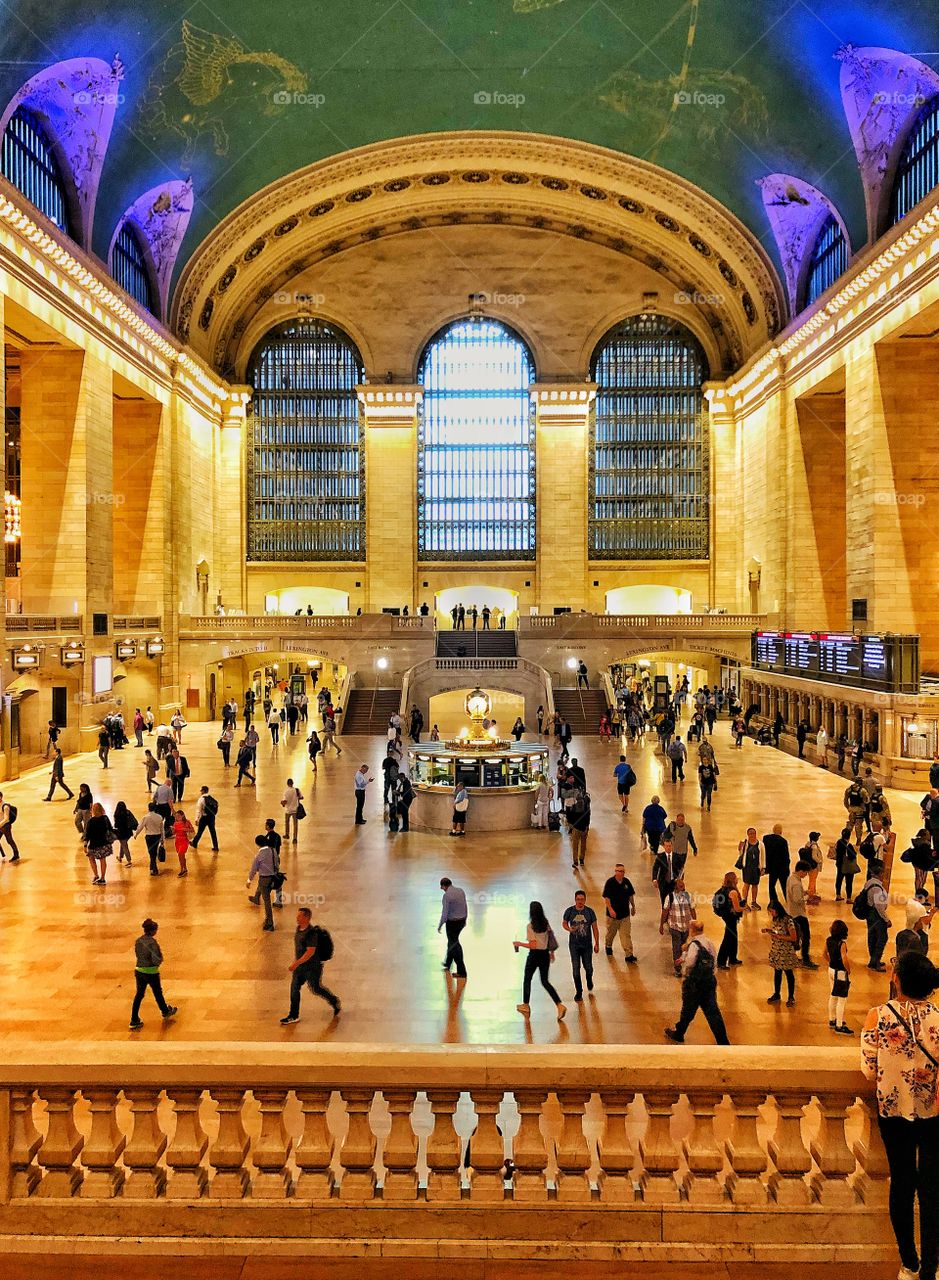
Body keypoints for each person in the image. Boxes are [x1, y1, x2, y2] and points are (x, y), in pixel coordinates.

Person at [861, 950, 939, 1280]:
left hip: (893, 1110)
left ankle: (909, 1263)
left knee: (902, 1183)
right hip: (933, 1111)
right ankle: (932, 1268)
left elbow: (869, 1069)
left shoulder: (878, 1016)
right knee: (933, 1188)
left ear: (897, 980)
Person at [664, 921, 729, 1045]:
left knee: (688, 1011)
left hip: (694, 984)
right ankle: (723, 1041)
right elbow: (714, 961)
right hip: (708, 982)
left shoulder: (694, 945)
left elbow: (690, 963)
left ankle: (679, 1033)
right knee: (713, 1012)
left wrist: (685, 971)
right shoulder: (709, 942)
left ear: (692, 930)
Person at [280, 908, 341, 1023]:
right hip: (300, 967)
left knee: (316, 988)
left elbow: (310, 952)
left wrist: (295, 963)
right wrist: (297, 962)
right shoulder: (298, 929)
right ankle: (293, 1015)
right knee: (294, 989)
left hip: (312, 968)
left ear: (307, 918)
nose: (297, 918)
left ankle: (334, 1001)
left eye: (300, 916)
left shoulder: (311, 933)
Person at [514, 901, 566, 1020]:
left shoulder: (530, 926)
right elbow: (550, 938)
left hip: (534, 956)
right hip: (545, 955)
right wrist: (551, 953)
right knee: (545, 981)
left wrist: (519, 944)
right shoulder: (545, 923)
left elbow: (533, 945)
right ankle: (559, 1005)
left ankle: (526, 1005)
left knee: (527, 979)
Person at [129, 919, 178, 1030]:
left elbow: (137, 954)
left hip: (139, 971)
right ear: (152, 931)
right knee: (157, 993)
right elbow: (156, 959)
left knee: (139, 995)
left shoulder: (138, 941)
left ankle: (134, 1019)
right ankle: (165, 1011)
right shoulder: (153, 943)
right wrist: (158, 962)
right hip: (151, 972)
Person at [563, 890, 599, 1001]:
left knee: (588, 967)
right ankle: (579, 991)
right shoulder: (569, 911)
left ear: (585, 900)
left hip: (587, 945)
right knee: (576, 969)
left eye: (582, 899)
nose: (580, 901)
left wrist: (597, 943)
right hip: (574, 945)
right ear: (575, 900)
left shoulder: (590, 912)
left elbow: (595, 928)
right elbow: (564, 923)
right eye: (578, 899)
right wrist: (569, 929)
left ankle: (589, 979)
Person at [764, 897, 799, 1007]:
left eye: (772, 911)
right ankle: (777, 993)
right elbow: (776, 931)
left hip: (786, 952)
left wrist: (779, 936)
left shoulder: (788, 920)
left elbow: (793, 937)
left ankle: (791, 997)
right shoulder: (775, 920)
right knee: (777, 973)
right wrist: (770, 931)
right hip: (777, 951)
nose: (771, 914)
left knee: (789, 974)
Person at [660, 875, 696, 975]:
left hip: (686, 926)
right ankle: (677, 968)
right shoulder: (670, 897)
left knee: (685, 946)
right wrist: (661, 924)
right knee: (676, 947)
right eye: (681, 886)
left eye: (683, 885)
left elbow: (692, 909)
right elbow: (665, 911)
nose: (683, 888)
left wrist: (694, 922)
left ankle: (684, 963)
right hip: (675, 926)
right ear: (675, 887)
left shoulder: (688, 896)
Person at [602, 863, 638, 962]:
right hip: (613, 916)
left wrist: (633, 906)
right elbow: (607, 898)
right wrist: (610, 909)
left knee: (625, 935)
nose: (621, 873)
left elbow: (630, 895)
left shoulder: (626, 882)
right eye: (619, 871)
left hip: (625, 915)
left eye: (622, 871)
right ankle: (608, 946)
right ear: (615, 872)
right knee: (611, 933)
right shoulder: (610, 882)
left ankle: (629, 955)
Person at [861, 859, 891, 972]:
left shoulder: (869, 883)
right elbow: (879, 906)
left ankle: (873, 960)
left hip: (870, 914)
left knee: (872, 937)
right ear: (880, 874)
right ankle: (875, 963)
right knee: (881, 938)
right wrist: (886, 919)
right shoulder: (877, 888)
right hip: (877, 916)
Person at [247, 830, 281, 932]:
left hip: (264, 879)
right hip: (274, 877)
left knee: (267, 901)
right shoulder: (273, 851)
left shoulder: (259, 855)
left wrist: (249, 880)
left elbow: (254, 869)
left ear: (258, 844)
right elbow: (277, 863)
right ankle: (276, 902)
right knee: (268, 896)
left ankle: (270, 923)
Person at [786, 860, 817, 968]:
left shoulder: (791, 878)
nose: (806, 875)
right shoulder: (796, 883)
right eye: (806, 872)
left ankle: (792, 956)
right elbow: (797, 899)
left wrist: (805, 892)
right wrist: (808, 897)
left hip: (792, 912)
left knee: (796, 936)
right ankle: (805, 959)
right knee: (805, 937)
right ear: (800, 871)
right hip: (798, 914)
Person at [826, 919, 853, 1034]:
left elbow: (824, 954)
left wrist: (830, 962)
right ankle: (839, 1024)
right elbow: (844, 958)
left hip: (831, 970)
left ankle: (832, 1019)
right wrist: (848, 970)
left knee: (833, 995)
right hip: (840, 972)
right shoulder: (841, 944)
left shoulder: (828, 940)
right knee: (842, 999)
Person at [438, 878, 468, 979]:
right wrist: (465, 919)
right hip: (461, 921)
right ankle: (448, 963)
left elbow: (445, 913)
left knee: (454, 945)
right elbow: (465, 906)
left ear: (444, 886)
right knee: (452, 942)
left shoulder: (447, 896)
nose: (441, 888)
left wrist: (440, 925)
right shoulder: (461, 891)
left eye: (441, 887)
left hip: (452, 923)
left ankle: (462, 971)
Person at [714, 871, 744, 968]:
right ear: (733, 880)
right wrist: (745, 908)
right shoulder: (733, 892)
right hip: (730, 917)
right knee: (728, 939)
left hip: (727, 916)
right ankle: (721, 962)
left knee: (733, 937)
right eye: (736, 878)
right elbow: (737, 908)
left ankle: (732, 958)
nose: (737, 879)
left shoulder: (724, 889)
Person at [83, 802, 114, 885]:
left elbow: (87, 834)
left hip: (94, 844)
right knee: (102, 859)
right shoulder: (105, 818)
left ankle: (96, 875)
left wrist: (85, 845)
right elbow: (110, 829)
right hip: (104, 843)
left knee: (91, 858)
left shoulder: (91, 821)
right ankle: (103, 878)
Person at [736, 827, 765, 910]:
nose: (752, 835)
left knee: (755, 885)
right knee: (746, 884)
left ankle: (754, 902)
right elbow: (741, 854)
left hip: (756, 868)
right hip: (747, 868)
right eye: (750, 833)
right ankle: (744, 902)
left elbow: (763, 856)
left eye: (753, 833)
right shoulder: (745, 843)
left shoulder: (760, 844)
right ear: (748, 834)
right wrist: (740, 848)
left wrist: (763, 868)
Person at [134, 803, 166, 876]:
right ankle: (152, 868)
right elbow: (162, 829)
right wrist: (162, 838)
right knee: (153, 852)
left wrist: (136, 834)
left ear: (148, 808)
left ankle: (154, 869)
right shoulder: (159, 817)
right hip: (157, 836)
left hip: (149, 837)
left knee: (151, 853)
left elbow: (140, 827)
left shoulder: (146, 817)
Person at [763, 824, 790, 902]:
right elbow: (786, 856)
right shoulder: (783, 841)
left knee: (771, 885)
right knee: (784, 886)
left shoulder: (766, 839)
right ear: (781, 831)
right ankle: (788, 900)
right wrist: (787, 868)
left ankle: (773, 901)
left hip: (772, 867)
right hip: (782, 868)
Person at [567, 783, 591, 869]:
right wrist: (587, 826)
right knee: (583, 843)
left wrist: (571, 825)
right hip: (584, 828)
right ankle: (582, 859)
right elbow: (588, 817)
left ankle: (575, 861)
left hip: (576, 827)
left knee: (575, 845)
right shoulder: (587, 808)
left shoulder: (574, 807)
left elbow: (570, 817)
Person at [834, 826, 860, 902]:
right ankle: (848, 898)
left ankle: (838, 895)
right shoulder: (849, 845)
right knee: (849, 882)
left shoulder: (839, 842)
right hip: (847, 866)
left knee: (839, 879)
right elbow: (853, 855)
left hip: (839, 864)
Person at [652, 837, 680, 906]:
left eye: (669, 846)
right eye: (667, 846)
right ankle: (664, 912)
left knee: (673, 901)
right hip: (663, 882)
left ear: (672, 846)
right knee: (664, 901)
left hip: (673, 882)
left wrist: (679, 879)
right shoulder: (660, 857)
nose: (668, 848)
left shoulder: (676, 857)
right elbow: (655, 868)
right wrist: (654, 879)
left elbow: (681, 869)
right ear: (664, 846)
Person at [192, 786, 219, 852]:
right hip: (211, 817)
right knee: (213, 832)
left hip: (204, 817)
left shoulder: (201, 799)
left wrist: (197, 819)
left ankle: (194, 843)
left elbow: (199, 810)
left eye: (201, 790)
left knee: (200, 831)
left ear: (203, 791)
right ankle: (216, 846)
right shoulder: (211, 798)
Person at [844, 778, 870, 844]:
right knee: (858, 826)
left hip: (852, 809)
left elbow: (845, 800)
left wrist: (848, 808)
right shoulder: (862, 790)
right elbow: (866, 801)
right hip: (859, 810)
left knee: (850, 824)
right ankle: (858, 840)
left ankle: (845, 839)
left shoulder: (849, 789)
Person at [112, 800, 136, 865]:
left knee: (124, 846)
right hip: (128, 832)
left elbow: (116, 825)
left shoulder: (117, 815)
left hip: (121, 833)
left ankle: (129, 861)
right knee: (123, 844)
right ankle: (120, 857)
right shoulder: (128, 812)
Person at [172, 809, 194, 878]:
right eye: (176, 816)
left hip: (184, 840)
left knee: (180, 854)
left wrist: (186, 829)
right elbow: (174, 833)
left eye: (178, 816)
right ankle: (185, 868)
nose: (177, 817)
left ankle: (182, 870)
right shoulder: (175, 823)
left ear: (182, 816)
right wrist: (173, 829)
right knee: (181, 856)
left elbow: (192, 830)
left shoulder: (187, 822)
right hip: (177, 841)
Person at [281, 778, 303, 843]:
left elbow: (285, 801)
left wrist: (282, 803)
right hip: (295, 810)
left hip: (288, 810)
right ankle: (295, 838)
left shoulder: (286, 791)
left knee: (287, 822)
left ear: (287, 784)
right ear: (292, 783)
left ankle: (287, 834)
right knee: (295, 824)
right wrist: (296, 799)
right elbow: (301, 797)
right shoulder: (297, 790)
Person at [0, 793, 20, 862]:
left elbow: (6, 819)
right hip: (1, 825)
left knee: (9, 840)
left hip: (6, 826)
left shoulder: (5, 807)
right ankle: (3, 854)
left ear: (1, 797)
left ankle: (16, 854)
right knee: (9, 840)